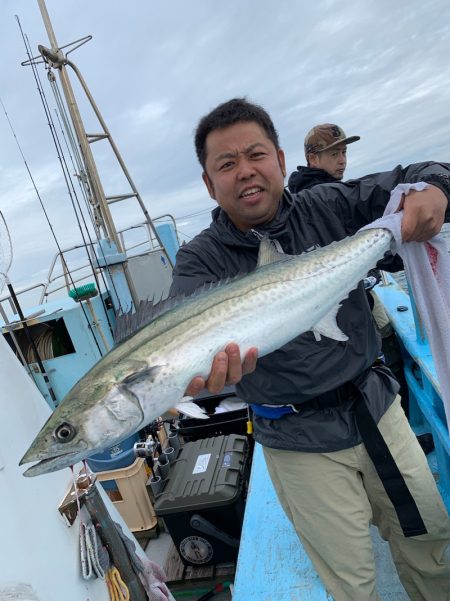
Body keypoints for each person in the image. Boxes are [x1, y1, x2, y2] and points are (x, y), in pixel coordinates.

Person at [170, 97, 450, 601]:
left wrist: (435, 188)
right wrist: (209, 374)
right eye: (226, 165)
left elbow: (421, 172)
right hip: (299, 442)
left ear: (279, 160)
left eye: (255, 155)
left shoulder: (330, 205)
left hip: (379, 410)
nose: (245, 172)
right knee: (353, 585)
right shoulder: (198, 263)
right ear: (210, 185)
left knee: (431, 548)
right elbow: (187, 346)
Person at [288, 123, 360, 192]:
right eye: (334, 154)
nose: (342, 161)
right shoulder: (317, 197)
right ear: (313, 159)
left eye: (344, 152)